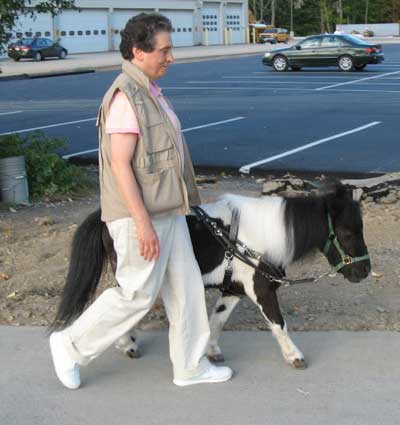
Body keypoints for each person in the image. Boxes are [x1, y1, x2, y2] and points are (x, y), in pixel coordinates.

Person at [49, 13, 233, 389]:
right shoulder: (124, 97)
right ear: (138, 51)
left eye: (170, 49)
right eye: (164, 50)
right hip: (140, 217)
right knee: (137, 294)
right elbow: (120, 165)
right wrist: (143, 223)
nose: (170, 57)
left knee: (186, 288)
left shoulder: (149, 90)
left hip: (168, 212)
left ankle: (190, 367)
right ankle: (69, 345)